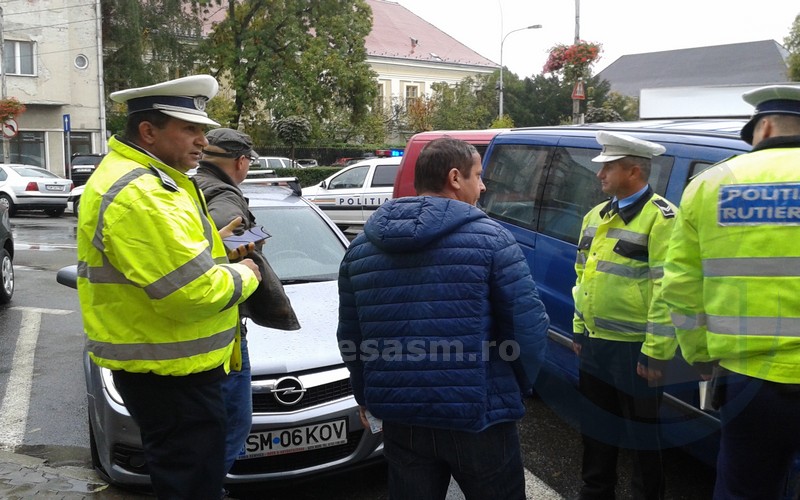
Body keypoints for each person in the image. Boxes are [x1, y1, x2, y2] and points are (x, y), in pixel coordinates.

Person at [76, 75, 262, 500]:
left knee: (193, 477)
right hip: (173, 374)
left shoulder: (156, 180)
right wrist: (247, 272)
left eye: (202, 129)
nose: (202, 140)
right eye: (190, 129)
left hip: (176, 368)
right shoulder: (141, 192)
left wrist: (223, 259)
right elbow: (191, 292)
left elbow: (177, 267)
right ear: (148, 131)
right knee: (190, 484)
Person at [336, 137, 549, 500]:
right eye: (478, 176)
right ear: (455, 177)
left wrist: (366, 396)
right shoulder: (493, 240)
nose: (482, 186)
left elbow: (351, 337)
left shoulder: (361, 248)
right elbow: (528, 327)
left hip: (403, 419)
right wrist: (518, 385)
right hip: (480, 418)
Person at [660, 84, 800, 500]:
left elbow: (680, 286)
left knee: (744, 487)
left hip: (750, 382)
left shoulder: (712, 183)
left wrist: (701, 357)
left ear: (765, 126)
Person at [572, 131, 676, 500]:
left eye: (607, 168)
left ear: (633, 171)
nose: (599, 174)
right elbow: (583, 276)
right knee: (596, 431)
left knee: (643, 438)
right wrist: (580, 331)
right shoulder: (595, 215)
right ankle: (595, 492)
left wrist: (654, 351)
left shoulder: (661, 219)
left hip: (636, 351)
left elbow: (668, 291)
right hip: (598, 346)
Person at [193, 127, 260, 476]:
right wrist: (252, 239)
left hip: (198, 332)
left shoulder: (192, 185)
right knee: (234, 426)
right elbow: (225, 232)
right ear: (241, 161)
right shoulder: (224, 193)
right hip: (223, 334)